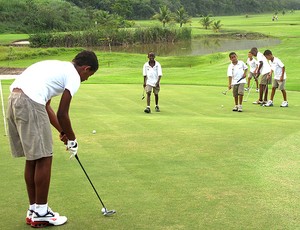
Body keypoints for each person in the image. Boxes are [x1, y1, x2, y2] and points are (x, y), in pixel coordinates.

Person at [6, 50, 99, 227]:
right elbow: (62, 113)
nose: (87, 79)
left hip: (14, 99)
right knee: (44, 157)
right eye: (90, 74)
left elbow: (47, 106)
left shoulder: (58, 66)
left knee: (33, 158)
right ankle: (41, 212)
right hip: (30, 101)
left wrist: (62, 131)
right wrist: (72, 139)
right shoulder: (73, 76)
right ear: (86, 68)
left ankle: (34, 210)